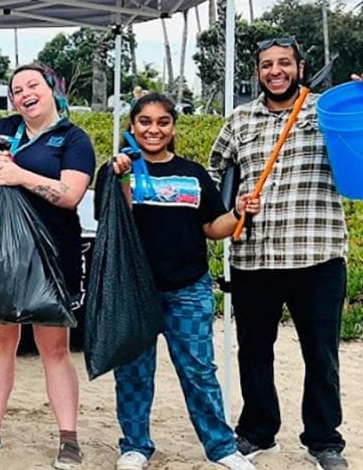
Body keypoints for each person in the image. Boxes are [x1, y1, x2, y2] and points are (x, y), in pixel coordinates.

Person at [207, 37, 363, 470]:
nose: (275, 71)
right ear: (258, 73)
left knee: (321, 354)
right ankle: (256, 431)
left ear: (299, 68)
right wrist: (231, 209)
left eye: (284, 63)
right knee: (253, 351)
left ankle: (324, 439)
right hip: (254, 257)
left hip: (317, 254)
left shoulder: (325, 112)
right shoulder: (240, 120)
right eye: (267, 64)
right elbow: (214, 174)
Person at [101, 94, 260, 470]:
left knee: (199, 371)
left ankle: (221, 448)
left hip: (189, 288)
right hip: (134, 291)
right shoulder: (115, 170)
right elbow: (116, 219)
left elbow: (213, 228)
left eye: (162, 122)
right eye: (144, 122)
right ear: (132, 126)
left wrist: (238, 212)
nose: (153, 129)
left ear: (173, 126)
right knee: (134, 372)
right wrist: (121, 175)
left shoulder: (193, 173)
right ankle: (135, 446)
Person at [0, 64, 95, 469]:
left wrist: (19, 175)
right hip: (0, 258)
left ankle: (68, 438)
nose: (24, 94)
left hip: (52, 256)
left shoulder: (73, 138)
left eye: (33, 85)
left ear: (52, 90)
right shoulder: (1, 128)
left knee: (54, 349)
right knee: (0, 345)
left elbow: (70, 195)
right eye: (17, 90)